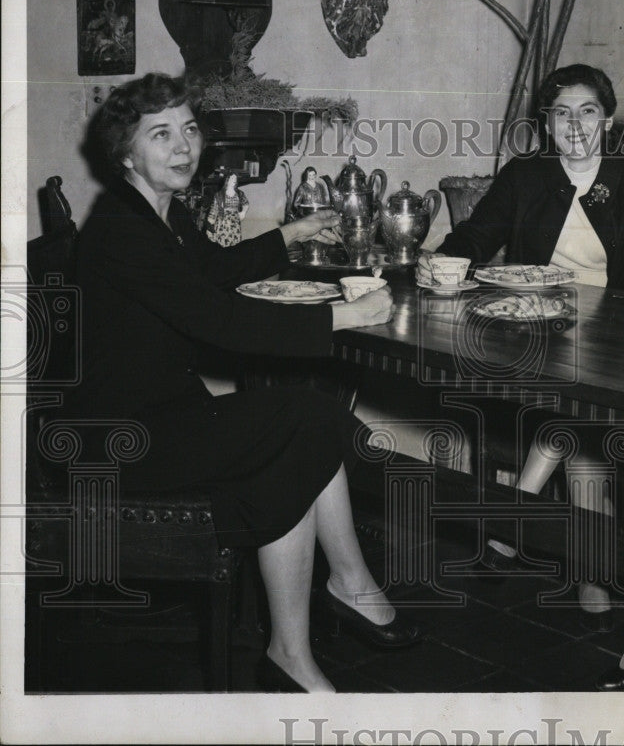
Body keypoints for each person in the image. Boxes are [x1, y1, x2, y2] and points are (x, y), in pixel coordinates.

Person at [68, 72, 420, 693]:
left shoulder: (156, 212)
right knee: (306, 420)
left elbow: (213, 270)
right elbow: (221, 319)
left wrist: (288, 235)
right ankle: (347, 587)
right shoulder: (121, 232)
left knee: (295, 430)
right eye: (161, 135)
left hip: (163, 418)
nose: (183, 147)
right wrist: (343, 315)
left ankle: (300, 640)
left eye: (189, 129)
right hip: (122, 445)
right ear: (126, 153)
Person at [417, 63, 624, 691]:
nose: (575, 125)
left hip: (618, 333)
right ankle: (586, 576)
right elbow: (480, 234)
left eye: (588, 111)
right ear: (546, 124)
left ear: (608, 120)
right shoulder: (527, 175)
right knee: (580, 411)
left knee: (583, 401)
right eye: (562, 113)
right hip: (536, 325)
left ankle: (524, 505)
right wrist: (445, 264)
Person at [202, 172, 249, 246]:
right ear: (228, 180)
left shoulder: (239, 194)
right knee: (221, 247)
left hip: (235, 226)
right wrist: (209, 228)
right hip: (222, 225)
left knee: (235, 248)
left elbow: (246, 203)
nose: (234, 180)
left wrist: (243, 212)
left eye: (235, 179)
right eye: (232, 178)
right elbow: (213, 211)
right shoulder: (219, 195)